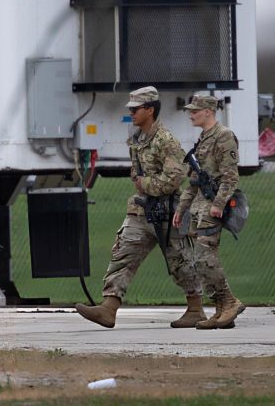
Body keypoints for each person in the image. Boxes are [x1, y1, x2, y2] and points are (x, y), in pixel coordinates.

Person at [75, 86, 204, 328]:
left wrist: (144, 183)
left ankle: (196, 308)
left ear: (150, 110)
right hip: (142, 210)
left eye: (136, 109)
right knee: (124, 253)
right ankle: (108, 308)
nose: (131, 113)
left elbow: (175, 178)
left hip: (167, 211)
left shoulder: (166, 141)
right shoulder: (136, 139)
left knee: (181, 261)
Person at [173, 94, 245, 329]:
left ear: (208, 111)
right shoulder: (204, 138)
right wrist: (182, 207)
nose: (191, 114)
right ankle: (221, 310)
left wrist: (219, 204)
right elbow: (195, 180)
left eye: (195, 110)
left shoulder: (223, 136)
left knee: (205, 256)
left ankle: (229, 301)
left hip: (212, 205)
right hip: (198, 207)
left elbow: (230, 176)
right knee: (200, 259)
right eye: (191, 111)